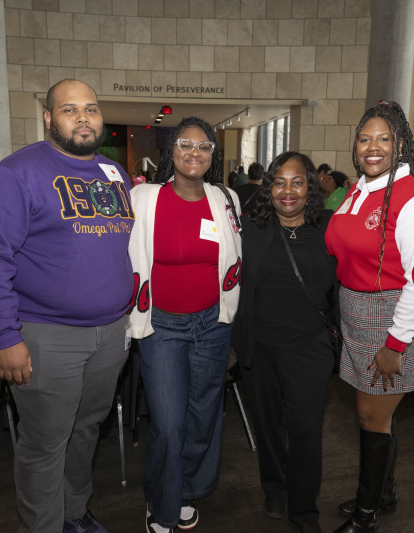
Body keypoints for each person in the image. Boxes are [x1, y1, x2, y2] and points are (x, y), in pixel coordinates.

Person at [0, 79, 132, 533]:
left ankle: (73, 514)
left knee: (86, 431)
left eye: (91, 109)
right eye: (69, 109)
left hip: (110, 333)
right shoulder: (14, 174)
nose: (83, 118)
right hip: (46, 335)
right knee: (45, 443)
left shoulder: (113, 173)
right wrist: (4, 336)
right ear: (48, 118)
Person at [326, 101, 414, 533]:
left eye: (384, 138)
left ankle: (367, 516)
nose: (372, 147)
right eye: (365, 139)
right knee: (379, 416)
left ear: (401, 145)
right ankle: (383, 492)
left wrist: (396, 344)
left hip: (393, 320)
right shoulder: (360, 189)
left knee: (371, 417)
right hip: (358, 316)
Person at [128, 116, 243, 533]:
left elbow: (236, 257)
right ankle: (162, 502)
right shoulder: (144, 197)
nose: (194, 153)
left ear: (213, 154)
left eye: (203, 146)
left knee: (203, 414)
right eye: (185, 144)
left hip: (213, 324)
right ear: (171, 151)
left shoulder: (226, 198)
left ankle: (187, 489)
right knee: (168, 422)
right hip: (161, 326)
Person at [232, 151, 337, 533]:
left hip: (310, 348)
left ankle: (304, 508)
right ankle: (274, 488)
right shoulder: (251, 227)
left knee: (306, 431)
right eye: (279, 182)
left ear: (311, 187)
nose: (287, 191)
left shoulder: (328, 227)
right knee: (268, 426)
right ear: (269, 187)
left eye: (297, 182)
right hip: (260, 348)